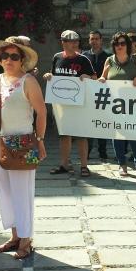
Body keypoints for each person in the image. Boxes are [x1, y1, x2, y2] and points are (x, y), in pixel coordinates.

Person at [0, 37, 47, 259]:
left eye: (14, 56)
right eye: (4, 56)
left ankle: (26, 239)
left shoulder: (28, 81)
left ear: (22, 60)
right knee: (5, 193)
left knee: (22, 193)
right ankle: (14, 236)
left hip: (21, 144)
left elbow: (41, 112)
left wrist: (40, 139)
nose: (8, 60)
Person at [43, 30, 96, 177]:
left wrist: (88, 77)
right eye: (71, 41)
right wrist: (49, 76)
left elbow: (94, 78)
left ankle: (84, 166)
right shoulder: (57, 57)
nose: (74, 44)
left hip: (79, 104)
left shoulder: (83, 59)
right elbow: (54, 75)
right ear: (63, 43)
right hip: (61, 105)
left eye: (76, 41)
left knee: (81, 135)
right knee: (64, 135)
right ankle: (64, 164)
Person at [98, 32, 136, 177]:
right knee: (118, 136)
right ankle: (122, 165)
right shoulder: (109, 61)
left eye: (122, 43)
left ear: (127, 45)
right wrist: (102, 79)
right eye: (116, 44)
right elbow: (102, 77)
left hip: (134, 105)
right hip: (115, 105)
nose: (119, 46)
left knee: (134, 134)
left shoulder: (135, 59)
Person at [82, 30, 109, 161]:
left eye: (97, 39)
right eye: (92, 39)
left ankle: (102, 151)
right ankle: (87, 152)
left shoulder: (108, 57)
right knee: (89, 124)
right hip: (88, 95)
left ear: (101, 40)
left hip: (104, 95)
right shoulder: (84, 56)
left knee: (102, 123)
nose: (94, 41)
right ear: (89, 41)